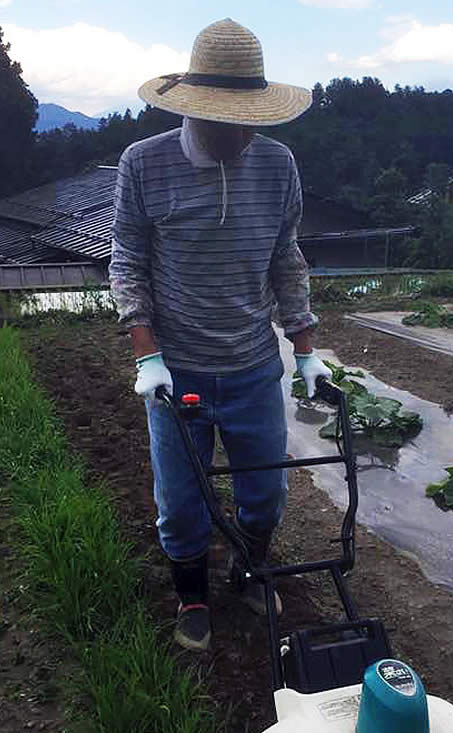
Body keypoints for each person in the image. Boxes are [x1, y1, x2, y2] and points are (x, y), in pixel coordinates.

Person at [109, 18, 330, 651]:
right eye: (230, 119)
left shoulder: (277, 164)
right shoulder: (143, 164)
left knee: (265, 492)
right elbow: (128, 261)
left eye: (252, 118)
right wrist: (146, 354)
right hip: (176, 369)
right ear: (198, 112)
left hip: (253, 365)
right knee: (181, 502)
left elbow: (285, 257)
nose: (243, 132)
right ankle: (191, 595)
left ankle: (248, 569)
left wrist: (305, 349)